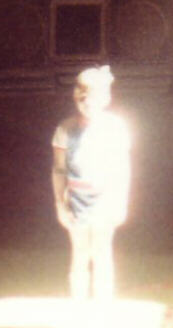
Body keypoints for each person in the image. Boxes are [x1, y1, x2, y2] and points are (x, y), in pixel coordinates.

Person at [51, 65, 131, 301]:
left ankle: (102, 306)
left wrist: (121, 203)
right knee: (79, 254)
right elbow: (58, 169)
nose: (86, 102)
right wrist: (59, 203)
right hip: (76, 201)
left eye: (92, 97)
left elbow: (122, 169)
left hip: (105, 200)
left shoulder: (116, 127)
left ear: (105, 98)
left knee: (102, 253)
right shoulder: (65, 129)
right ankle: (79, 306)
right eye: (81, 96)